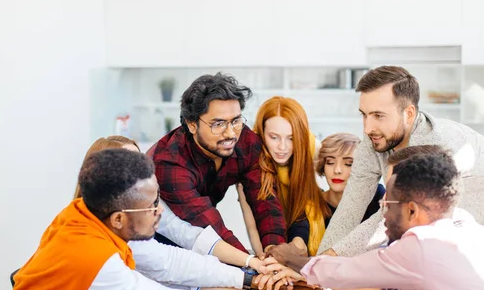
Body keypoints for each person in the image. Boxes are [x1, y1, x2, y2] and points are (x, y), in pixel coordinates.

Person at [4, 150, 278, 290]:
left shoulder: (92, 216)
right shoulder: (89, 255)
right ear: (119, 218)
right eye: (150, 206)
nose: (159, 212)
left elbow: (169, 261)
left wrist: (249, 277)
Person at [263, 153, 484, 290]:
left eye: (389, 200)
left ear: (411, 210)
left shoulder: (423, 245)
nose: (382, 207)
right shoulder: (469, 231)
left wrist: (293, 259)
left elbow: (347, 272)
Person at [317, 66, 484, 287]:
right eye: (364, 115)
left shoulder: (435, 145)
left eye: (378, 116)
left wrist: (320, 268)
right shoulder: (375, 140)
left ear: (409, 113)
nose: (367, 127)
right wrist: (316, 266)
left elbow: (391, 214)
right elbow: (350, 207)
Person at [75, 136, 266, 273]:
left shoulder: (144, 205)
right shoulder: (91, 235)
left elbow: (189, 237)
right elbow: (168, 273)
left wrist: (249, 262)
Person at [152, 73, 286, 253]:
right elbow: (207, 222)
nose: (231, 133)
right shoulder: (170, 163)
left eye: (236, 121)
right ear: (192, 125)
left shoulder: (246, 141)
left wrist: (274, 251)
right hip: (160, 234)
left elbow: (264, 198)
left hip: (204, 227)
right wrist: (251, 264)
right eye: (219, 124)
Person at [238, 96, 329, 257]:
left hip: (303, 231)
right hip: (270, 237)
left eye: (291, 138)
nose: (282, 147)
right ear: (261, 133)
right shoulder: (249, 161)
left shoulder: (312, 147)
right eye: (274, 137)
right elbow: (252, 223)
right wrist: (265, 260)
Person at [316, 133, 384, 224]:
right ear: (322, 165)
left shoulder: (376, 196)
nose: (337, 170)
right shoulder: (313, 204)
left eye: (349, 164)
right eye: (330, 162)